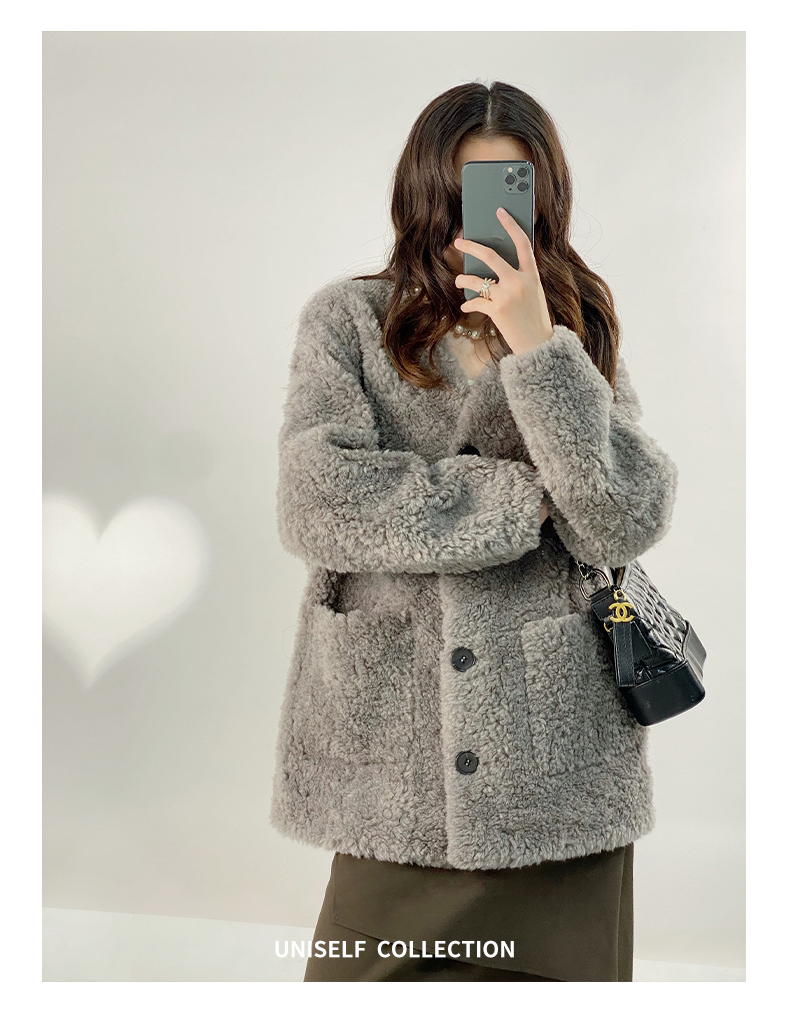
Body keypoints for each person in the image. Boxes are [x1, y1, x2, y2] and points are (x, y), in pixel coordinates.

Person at [270, 80, 678, 982]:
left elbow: (621, 516)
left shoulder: (576, 325)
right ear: (423, 189)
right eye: (459, 189)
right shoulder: (349, 319)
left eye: (507, 188)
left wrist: (538, 347)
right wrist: (521, 502)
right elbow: (318, 500)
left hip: (553, 755)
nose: (478, 214)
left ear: (544, 196)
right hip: (396, 753)